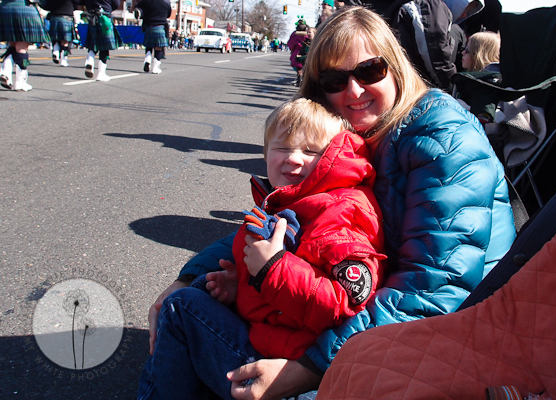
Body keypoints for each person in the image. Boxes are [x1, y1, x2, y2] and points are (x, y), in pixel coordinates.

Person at [146, 6, 516, 399]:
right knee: (197, 292)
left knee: (183, 313)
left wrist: (306, 369)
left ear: (395, 67)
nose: (353, 91)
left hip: (441, 347)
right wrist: (190, 274)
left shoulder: (444, 138)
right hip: (368, 318)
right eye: (335, 80)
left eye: (370, 71)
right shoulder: (355, 138)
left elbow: (433, 291)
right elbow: (289, 224)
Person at [138, 97, 387, 399]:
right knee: (204, 285)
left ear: (334, 156)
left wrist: (272, 270)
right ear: (266, 152)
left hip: (295, 372)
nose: (293, 159)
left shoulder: (341, 211)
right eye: (282, 147)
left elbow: (345, 304)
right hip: (278, 339)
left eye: (311, 151)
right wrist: (243, 287)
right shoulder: (299, 198)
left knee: (182, 306)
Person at [384, 0, 481, 91]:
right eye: (465, 7)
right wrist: (452, 87)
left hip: (404, 79)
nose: (464, 14)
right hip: (412, 83)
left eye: (468, 11)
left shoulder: (438, 12)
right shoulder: (432, 7)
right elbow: (436, 57)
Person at [0, 0, 50, 91]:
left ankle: (5, 73)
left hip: (5, 8)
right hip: (24, 8)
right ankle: (20, 83)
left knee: (12, 44)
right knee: (22, 47)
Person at [81, 0, 123, 81]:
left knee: (94, 44)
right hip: (105, 16)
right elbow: (116, 3)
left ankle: (90, 60)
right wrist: (108, 8)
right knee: (105, 47)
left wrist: (89, 6)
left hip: (92, 17)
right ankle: (101, 73)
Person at [132, 0, 170, 74]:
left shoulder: (146, 1)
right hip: (160, 25)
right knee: (158, 48)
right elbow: (168, 14)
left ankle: (147, 60)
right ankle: (155, 68)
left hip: (148, 26)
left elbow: (137, 8)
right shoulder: (166, 2)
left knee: (149, 46)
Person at [39, 0, 77, 67]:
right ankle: (64, 60)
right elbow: (78, 3)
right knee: (65, 41)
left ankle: (55, 51)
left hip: (54, 17)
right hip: (67, 16)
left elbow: (45, 5)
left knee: (55, 38)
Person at [288, 19, 308, 87]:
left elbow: (290, 43)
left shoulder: (294, 34)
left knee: (298, 68)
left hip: (297, 52)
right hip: (306, 52)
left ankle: (299, 80)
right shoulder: (307, 33)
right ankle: (302, 80)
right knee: (305, 67)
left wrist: (292, 50)